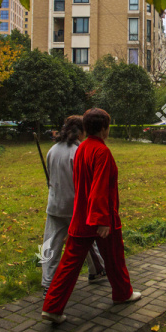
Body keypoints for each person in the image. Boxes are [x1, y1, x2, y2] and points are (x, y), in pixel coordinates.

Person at [42, 108, 141, 324]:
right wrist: (102, 220)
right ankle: (123, 294)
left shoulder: (82, 149)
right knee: (114, 258)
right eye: (108, 126)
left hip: (80, 218)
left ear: (85, 128)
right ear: (104, 128)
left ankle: (52, 306)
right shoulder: (101, 152)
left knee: (69, 264)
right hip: (101, 220)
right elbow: (99, 187)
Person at [40, 116, 106, 297]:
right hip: (73, 205)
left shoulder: (52, 150)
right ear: (80, 131)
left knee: (50, 244)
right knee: (86, 239)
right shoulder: (78, 151)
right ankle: (97, 269)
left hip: (54, 203)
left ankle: (48, 282)